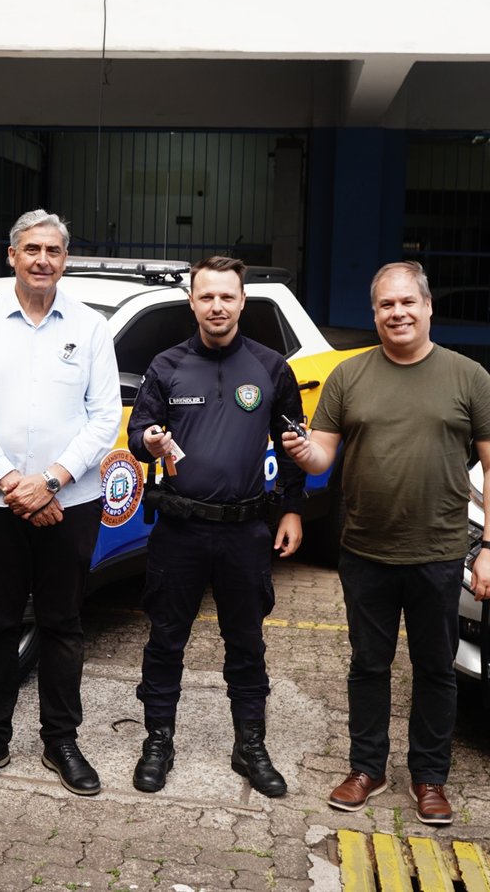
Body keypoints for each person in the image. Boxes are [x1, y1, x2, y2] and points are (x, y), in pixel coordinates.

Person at [280, 260, 490, 826]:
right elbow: (323, 456)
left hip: (438, 552)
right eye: (386, 304)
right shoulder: (349, 376)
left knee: (435, 668)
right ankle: (367, 769)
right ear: (375, 312)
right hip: (364, 552)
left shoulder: (468, 376)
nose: (398, 313)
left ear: (428, 306)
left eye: (408, 302)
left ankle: (430, 777)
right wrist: (303, 451)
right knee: (368, 665)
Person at [0, 209, 121, 795]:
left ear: (65, 260)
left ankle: (60, 740)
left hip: (71, 501)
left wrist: (51, 481)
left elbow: (104, 418)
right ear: (12, 256)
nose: (42, 259)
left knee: (63, 623)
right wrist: (12, 484)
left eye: (53, 250)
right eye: (32, 249)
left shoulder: (91, 327)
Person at [126, 255, 306, 797]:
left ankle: (250, 744)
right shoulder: (166, 366)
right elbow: (138, 434)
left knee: (246, 643)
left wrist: (292, 509)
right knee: (165, 640)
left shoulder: (272, 368)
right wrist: (148, 441)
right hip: (179, 529)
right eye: (207, 296)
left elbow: (292, 446)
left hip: (245, 530)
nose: (217, 306)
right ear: (192, 302)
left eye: (227, 296)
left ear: (242, 301)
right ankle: (158, 741)